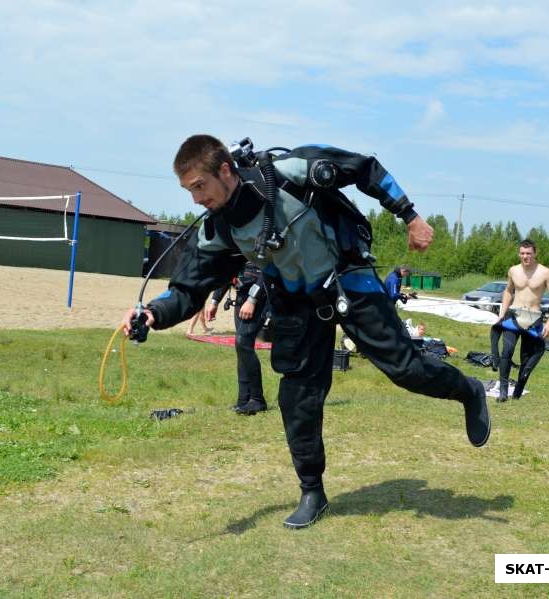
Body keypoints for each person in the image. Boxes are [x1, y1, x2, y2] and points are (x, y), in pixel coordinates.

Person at [122, 135, 490, 529]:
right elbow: (187, 290)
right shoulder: (218, 229)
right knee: (297, 397)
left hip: (348, 279)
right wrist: (153, 314)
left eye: (200, 186)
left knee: (407, 370)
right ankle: (312, 491)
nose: (196, 199)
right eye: (189, 190)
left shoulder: (290, 173)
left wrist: (410, 216)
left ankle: (467, 390)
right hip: (297, 304)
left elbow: (365, 167)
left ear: (225, 170)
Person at [490, 239, 549, 402]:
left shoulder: (545, 272)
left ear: (535, 253)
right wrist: (502, 313)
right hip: (514, 316)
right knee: (506, 351)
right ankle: (503, 392)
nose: (525, 256)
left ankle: (518, 391)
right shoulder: (513, 271)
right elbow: (508, 291)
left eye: (528, 253)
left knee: (527, 358)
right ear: (519, 253)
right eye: (522, 253)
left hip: (533, 318)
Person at [206, 261, 267, 415]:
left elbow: (270, 269)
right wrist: (215, 301)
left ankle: (257, 399)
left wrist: (252, 299)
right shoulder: (236, 240)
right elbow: (229, 268)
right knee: (242, 347)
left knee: (243, 342)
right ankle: (243, 400)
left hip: (260, 297)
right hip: (241, 296)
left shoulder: (264, 239)